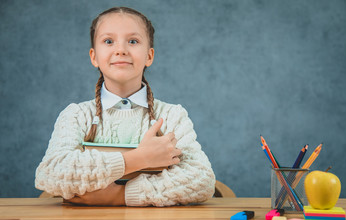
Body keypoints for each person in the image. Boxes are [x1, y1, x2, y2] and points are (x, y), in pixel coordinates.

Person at [35, 7, 215, 206]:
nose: (120, 50)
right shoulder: (76, 115)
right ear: (94, 57)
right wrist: (139, 158)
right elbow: (50, 175)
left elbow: (202, 180)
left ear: (149, 55)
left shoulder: (172, 115)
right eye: (108, 41)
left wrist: (117, 196)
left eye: (133, 41)